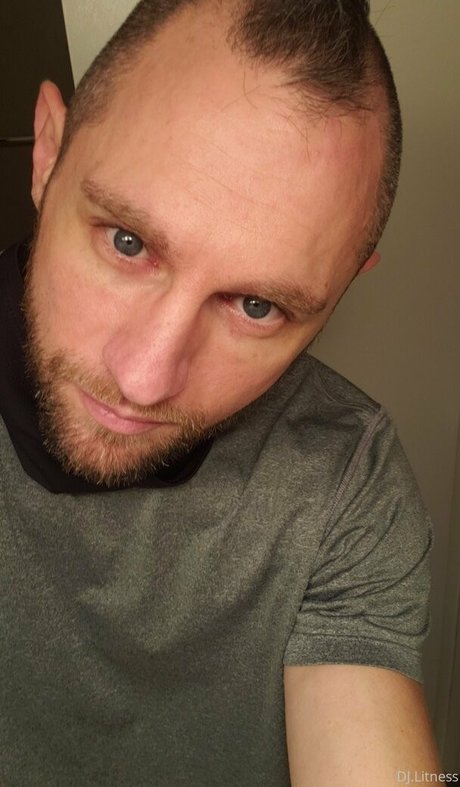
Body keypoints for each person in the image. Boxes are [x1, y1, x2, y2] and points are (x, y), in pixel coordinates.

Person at [0, 0, 441, 784]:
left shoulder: (346, 481)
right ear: (47, 152)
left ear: (346, 283)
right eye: (128, 242)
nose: (144, 379)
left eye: (257, 306)